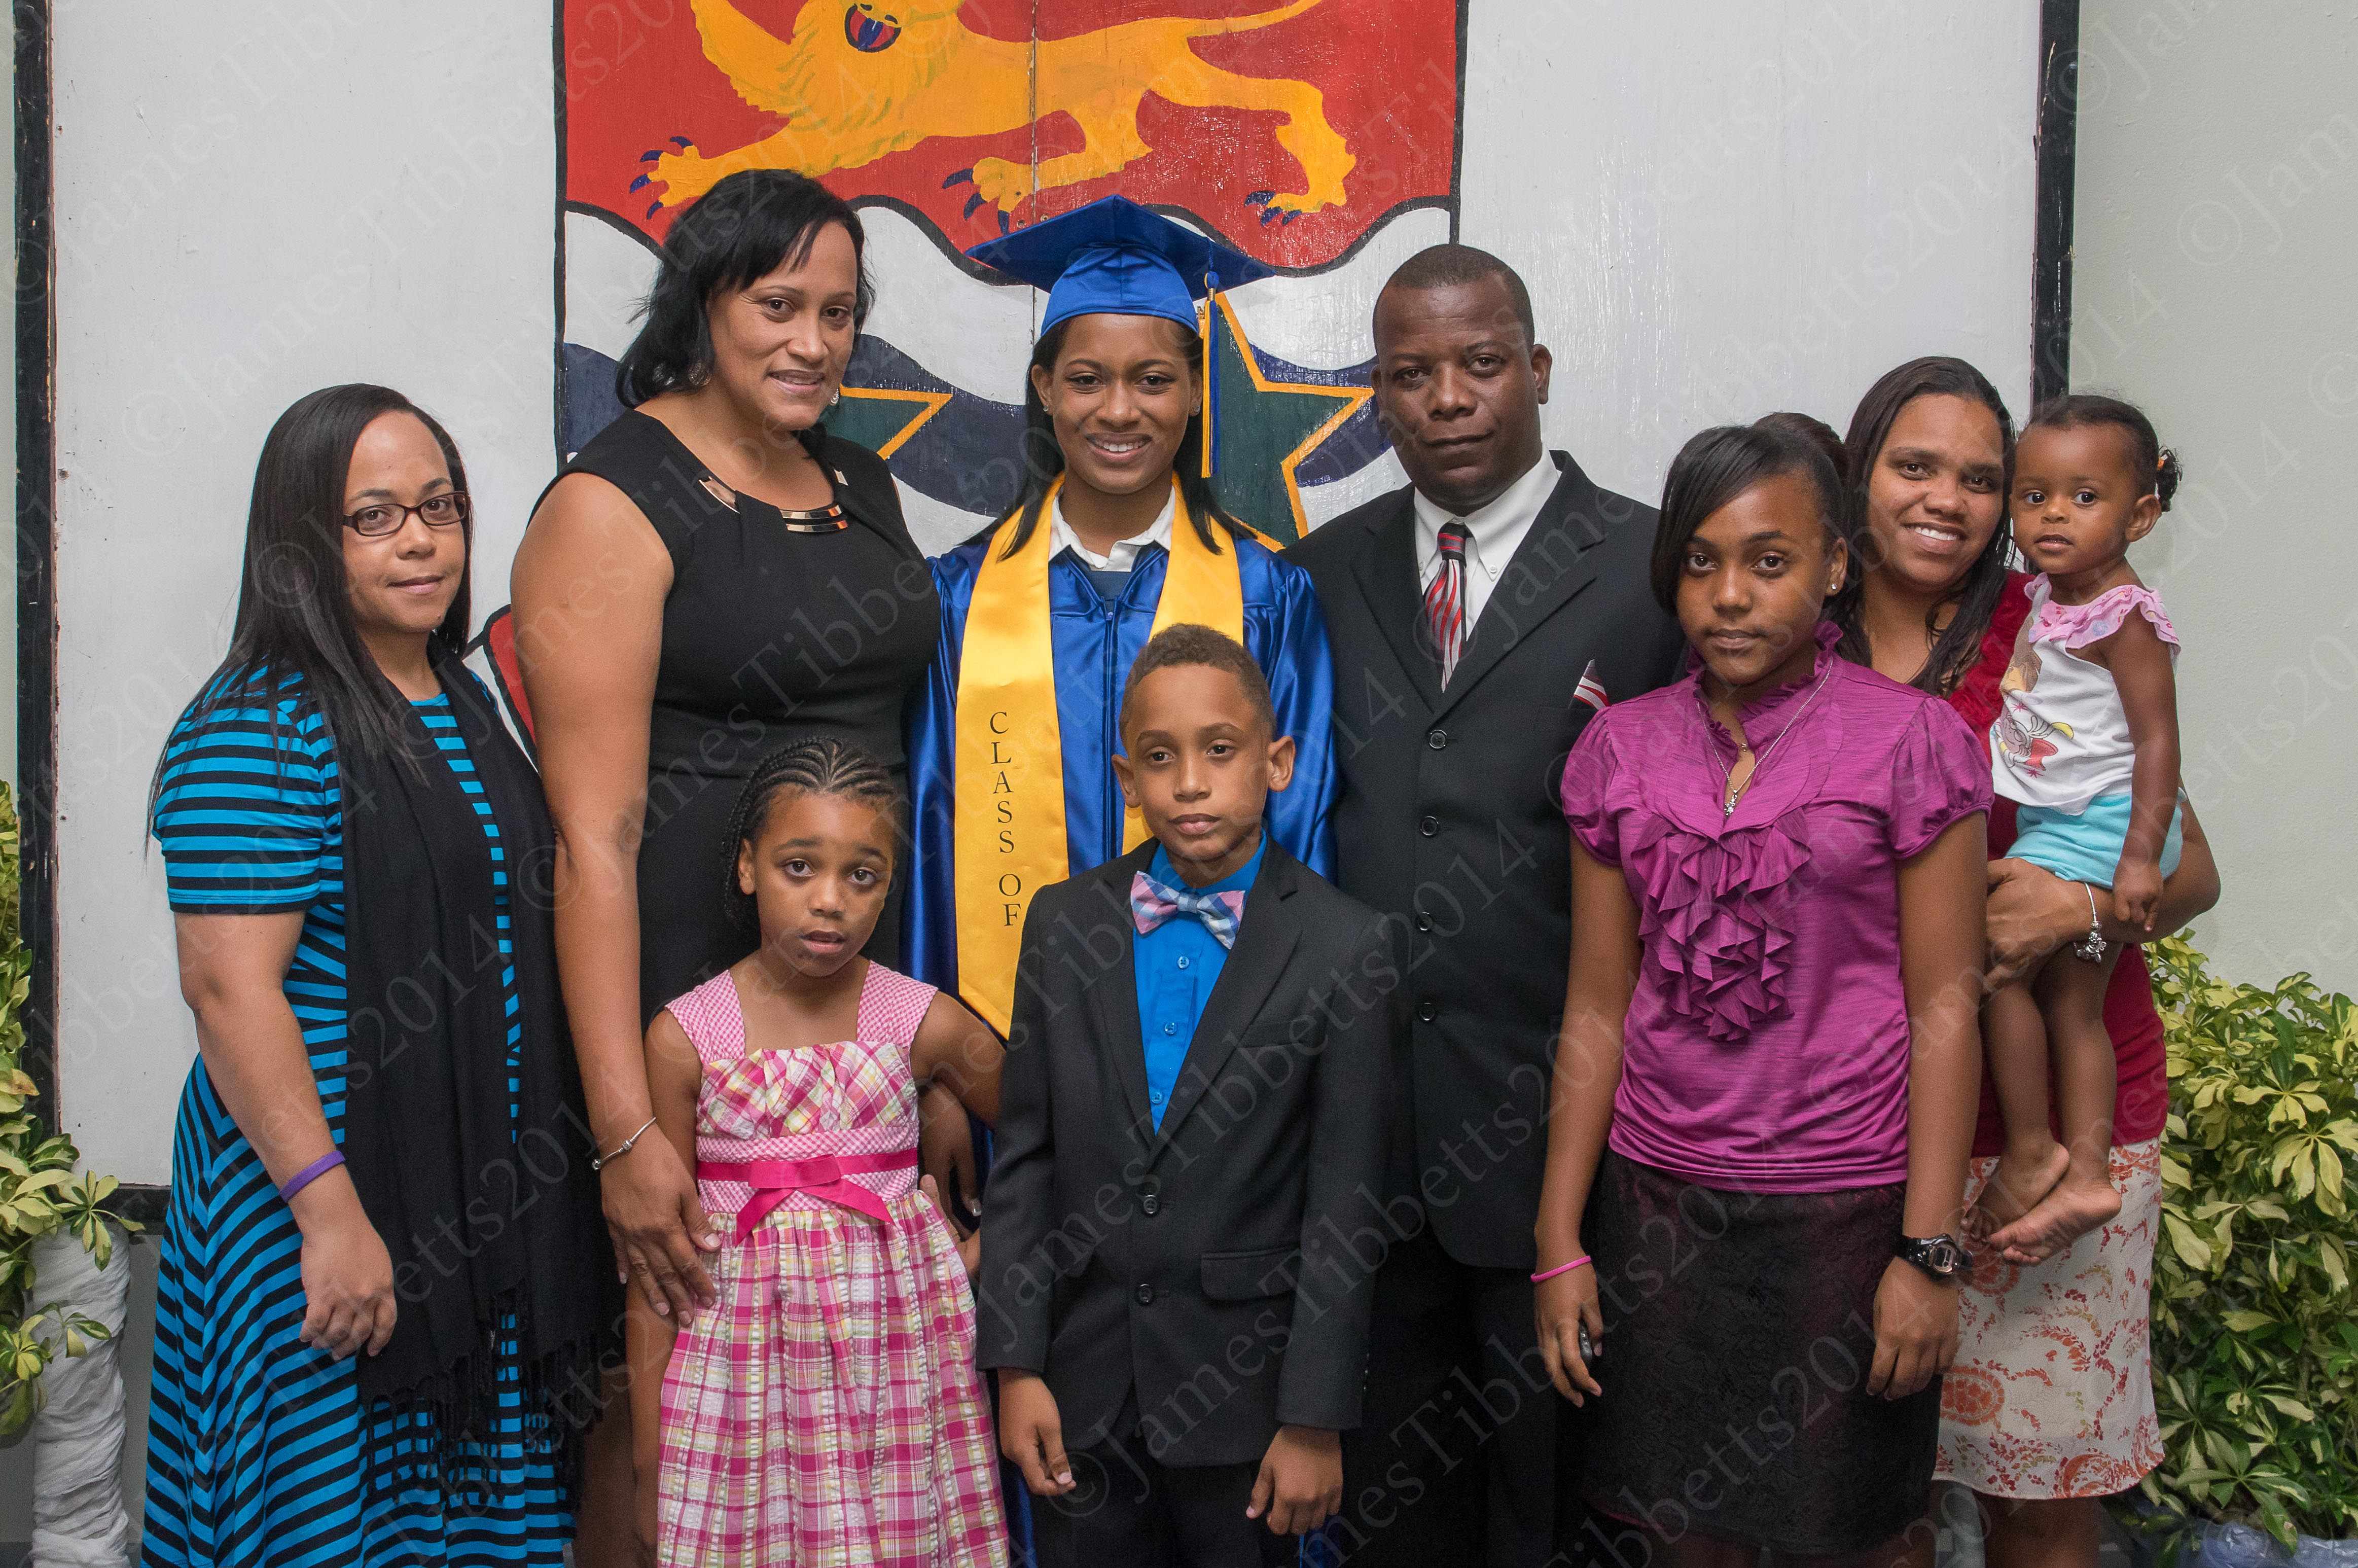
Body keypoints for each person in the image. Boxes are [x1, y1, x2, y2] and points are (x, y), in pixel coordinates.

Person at [511, 169, 952, 1552]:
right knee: (660, 1386)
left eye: (840, 312)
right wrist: (627, 1132)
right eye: (778, 305)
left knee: (840, 1386)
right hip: (679, 1013)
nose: (814, 342)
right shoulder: (614, 499)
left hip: (845, 1004)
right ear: (704, 303)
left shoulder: (859, 479)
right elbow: (592, 842)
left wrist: (923, 1048)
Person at [143, 385, 610, 1566]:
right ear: (302, 540)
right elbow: (229, 991)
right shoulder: (256, 726)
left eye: (439, 507)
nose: (421, 540)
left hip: (468, 1200)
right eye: (374, 516)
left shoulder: (464, 699)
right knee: (326, 1517)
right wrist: (330, 1212)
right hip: (315, 1205)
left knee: (464, 1522)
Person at [1283, 244, 1686, 1565]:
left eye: (1481, 363)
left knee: (1558, 1515)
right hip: (1369, 1151)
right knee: (1393, 1519)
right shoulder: (1318, 571)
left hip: (1570, 1153)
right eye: (1412, 374)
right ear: (1378, 396)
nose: (1448, 398)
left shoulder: (1653, 569)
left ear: (1539, 369)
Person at [1535, 420, 1989, 1567]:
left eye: (1769, 561)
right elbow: (1594, 1009)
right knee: (1682, 1538)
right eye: (1700, 562)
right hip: (1658, 1215)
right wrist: (1559, 1239)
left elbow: (1947, 1008)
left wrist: (1928, 1253)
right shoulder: (1619, 749)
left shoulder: (1913, 740)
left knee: (1861, 1540)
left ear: (1834, 566)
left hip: (1848, 1220)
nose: (1730, 596)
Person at [1829, 358, 2221, 1565]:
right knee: (1866, 1506)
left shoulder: (2056, 619)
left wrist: (2080, 909)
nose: (1947, 499)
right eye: (1914, 466)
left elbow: (2194, 869)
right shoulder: (1796, 633)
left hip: (2053, 1133)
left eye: (1981, 478)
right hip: (1854, 1133)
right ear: (1858, 474)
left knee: (2040, 1503)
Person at [978, 625, 1395, 1568]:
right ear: (1127, 779)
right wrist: (1015, 1363)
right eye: (1160, 759)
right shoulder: (1063, 922)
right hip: (1083, 1390)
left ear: (1276, 762)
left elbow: (1345, 1204)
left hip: (1247, 1403)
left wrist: (1313, 1418)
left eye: (1220, 750)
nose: (1191, 784)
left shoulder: (1347, 946)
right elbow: (1027, 1160)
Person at [905, 195, 1338, 1047]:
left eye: (1152, 380)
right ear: (1043, 388)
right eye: (1085, 379)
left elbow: (1302, 822)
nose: (1116, 411)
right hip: (1008, 1046)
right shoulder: (958, 600)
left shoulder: (1269, 596)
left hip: (1222, 1046)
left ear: (1196, 389)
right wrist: (943, 1058)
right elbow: (929, 831)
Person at [627, 738, 1007, 1565]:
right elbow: (656, 1261)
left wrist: (973, 1256)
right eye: (798, 868)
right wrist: (650, 1449)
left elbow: (1054, 1142)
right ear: (747, 868)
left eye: (861, 876)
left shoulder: (924, 1022)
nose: (829, 901)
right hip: (738, 1390)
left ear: (889, 886)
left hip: (901, 1379)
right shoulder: (684, 1039)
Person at [1977, 395, 2186, 1257]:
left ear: (2139, 516)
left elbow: (2157, 741)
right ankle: (2083, 1170)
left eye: (2083, 497)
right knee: (2069, 1001)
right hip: (2067, 821)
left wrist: (2137, 862)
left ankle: (2039, 1152)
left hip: (2101, 827)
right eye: (2033, 497)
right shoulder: (2052, 595)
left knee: (2003, 976)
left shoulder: (2123, 615)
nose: (2053, 514)